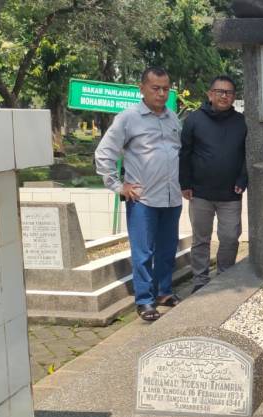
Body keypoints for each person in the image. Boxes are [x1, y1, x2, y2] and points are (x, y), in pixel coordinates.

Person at [95, 66, 182, 322]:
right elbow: (104, 153)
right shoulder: (128, 118)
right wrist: (117, 186)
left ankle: (164, 292)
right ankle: (144, 300)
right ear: (141, 88)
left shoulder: (173, 118)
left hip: (171, 198)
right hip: (142, 199)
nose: (161, 94)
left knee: (167, 250)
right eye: (156, 88)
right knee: (143, 253)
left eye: (166, 88)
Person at [179, 75, 248, 294]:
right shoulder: (194, 120)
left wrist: (242, 179)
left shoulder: (241, 122)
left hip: (231, 193)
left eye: (228, 92)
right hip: (200, 193)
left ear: (233, 97)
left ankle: (225, 275)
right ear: (210, 94)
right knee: (201, 239)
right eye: (220, 91)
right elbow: (185, 153)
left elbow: (248, 154)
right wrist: (185, 183)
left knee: (229, 237)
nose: (224, 96)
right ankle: (200, 279)